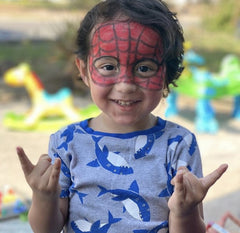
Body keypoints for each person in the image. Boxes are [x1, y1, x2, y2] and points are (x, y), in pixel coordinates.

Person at [16, 0, 228, 232]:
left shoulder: (179, 144)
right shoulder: (66, 142)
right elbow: (46, 229)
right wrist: (43, 196)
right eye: (108, 67)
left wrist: (184, 211)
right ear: (84, 70)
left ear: (167, 73)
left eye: (144, 68)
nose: (126, 85)